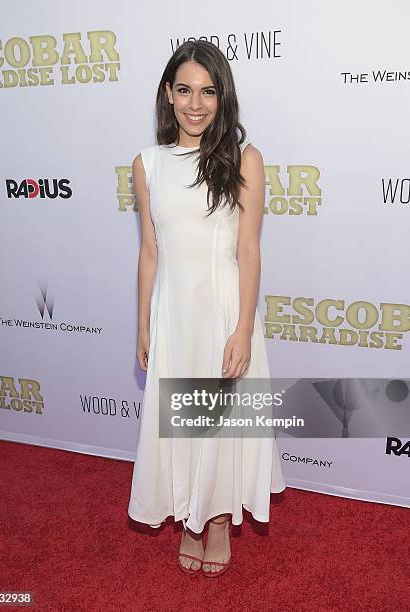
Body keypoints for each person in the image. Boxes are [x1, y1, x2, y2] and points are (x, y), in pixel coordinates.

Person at [128, 40, 285, 577]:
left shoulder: (244, 159)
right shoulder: (147, 165)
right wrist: (143, 324)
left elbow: (248, 250)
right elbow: (150, 250)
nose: (196, 104)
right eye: (185, 90)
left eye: (208, 91)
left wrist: (243, 328)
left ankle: (216, 522)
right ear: (167, 96)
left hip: (223, 312)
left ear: (223, 97)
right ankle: (190, 517)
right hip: (174, 313)